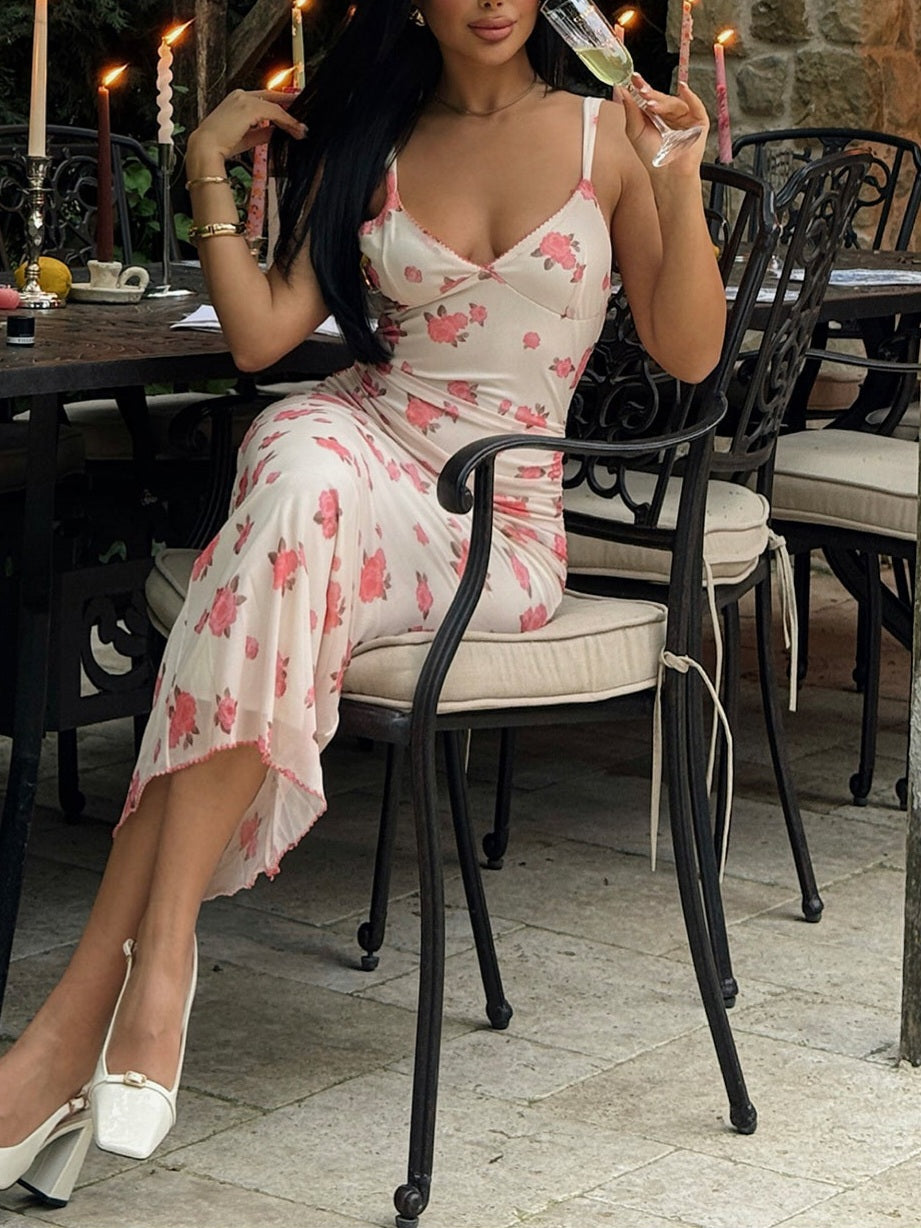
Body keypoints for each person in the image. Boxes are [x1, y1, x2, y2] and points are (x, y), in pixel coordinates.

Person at [0, 0, 724, 1203]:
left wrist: (680, 179)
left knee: (272, 554)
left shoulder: (610, 136)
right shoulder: (374, 136)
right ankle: (154, 967)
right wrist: (205, 166)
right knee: (296, 471)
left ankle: (78, 1022)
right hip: (354, 449)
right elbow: (262, 336)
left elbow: (690, 352)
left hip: (496, 519)